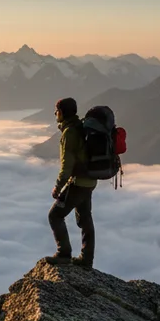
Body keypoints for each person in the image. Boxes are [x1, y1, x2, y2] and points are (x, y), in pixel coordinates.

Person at [47, 97, 96, 267]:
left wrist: (58, 187)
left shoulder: (70, 133)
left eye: (57, 110)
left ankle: (64, 254)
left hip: (78, 182)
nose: (55, 114)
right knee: (85, 219)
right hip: (90, 181)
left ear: (63, 113)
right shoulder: (81, 127)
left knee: (55, 216)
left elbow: (67, 166)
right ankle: (86, 260)